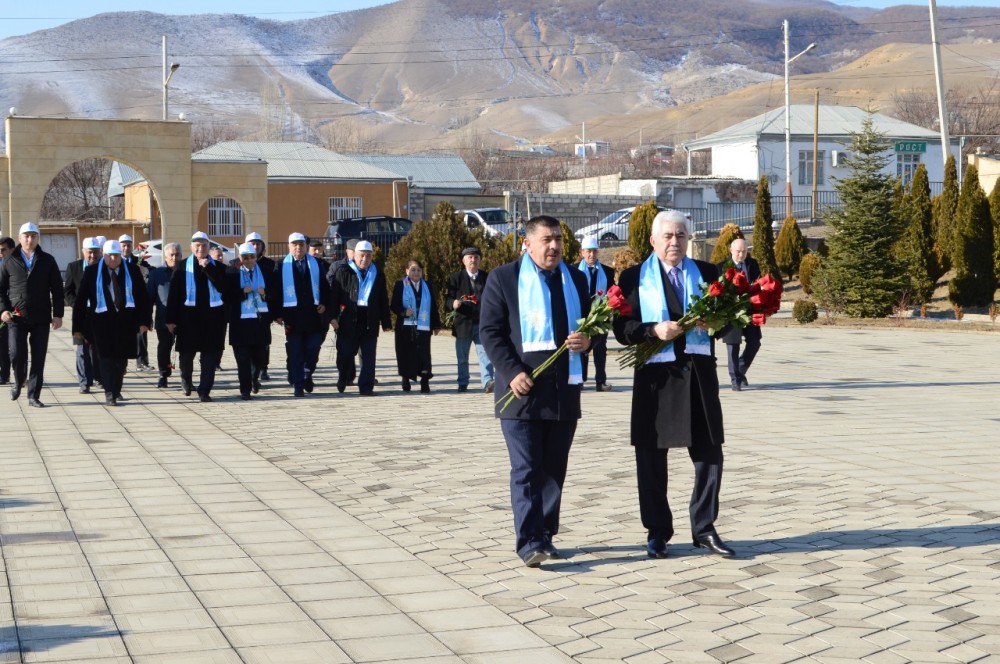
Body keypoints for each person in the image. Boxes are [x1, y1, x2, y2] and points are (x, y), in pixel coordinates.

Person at [612, 210, 733, 560]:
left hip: (698, 376)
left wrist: (718, 321)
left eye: (681, 235)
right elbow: (622, 330)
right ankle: (657, 531)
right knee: (651, 457)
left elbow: (726, 327)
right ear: (653, 241)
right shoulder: (635, 277)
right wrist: (653, 330)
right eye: (667, 236)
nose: (674, 242)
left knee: (710, 454)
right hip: (656, 379)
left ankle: (705, 528)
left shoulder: (708, 273)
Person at [480, 215, 592, 568]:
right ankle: (528, 541)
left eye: (558, 239)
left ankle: (545, 534)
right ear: (526, 244)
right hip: (521, 393)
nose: (555, 246)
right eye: (546, 239)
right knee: (526, 468)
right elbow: (491, 332)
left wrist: (589, 340)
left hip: (563, 390)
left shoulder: (574, 278)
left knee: (554, 469)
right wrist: (511, 372)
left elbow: (593, 325)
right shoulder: (504, 278)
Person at [72, 240, 152, 406]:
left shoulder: (131, 270)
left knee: (121, 360)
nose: (114, 258)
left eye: (116, 255)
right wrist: (77, 327)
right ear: (104, 254)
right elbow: (80, 301)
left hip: (126, 322)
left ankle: (115, 389)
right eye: (110, 255)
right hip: (101, 322)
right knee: (105, 358)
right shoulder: (92, 272)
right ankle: (110, 392)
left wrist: (145, 321)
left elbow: (143, 298)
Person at [0, 223, 65, 408]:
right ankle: (18, 380)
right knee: (16, 354)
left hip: (41, 317)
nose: (30, 240)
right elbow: (1, 290)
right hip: (16, 317)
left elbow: (57, 290)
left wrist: (58, 314)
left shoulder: (47, 260)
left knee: (38, 357)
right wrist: (3, 310)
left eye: (33, 236)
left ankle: (33, 395)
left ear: (38, 239)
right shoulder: (9, 261)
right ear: (20, 238)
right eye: (26, 236)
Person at [166, 232, 228, 402]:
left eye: (204, 245)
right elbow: (173, 295)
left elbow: (224, 288)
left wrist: (208, 268)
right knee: (186, 356)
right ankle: (186, 381)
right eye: (197, 245)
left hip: (212, 320)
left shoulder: (219, 267)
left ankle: (204, 390)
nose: (201, 248)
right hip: (188, 320)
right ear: (192, 247)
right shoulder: (181, 267)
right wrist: (170, 319)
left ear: (209, 247)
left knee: (209, 357)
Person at [270, 232, 330, 397]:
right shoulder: (281, 265)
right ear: (289, 247)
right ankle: (298, 384)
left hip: (313, 316)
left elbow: (325, 287)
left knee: (313, 348)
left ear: (306, 246)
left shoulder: (317, 264)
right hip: (292, 317)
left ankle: (307, 373)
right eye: (294, 244)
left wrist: (324, 303)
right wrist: (277, 314)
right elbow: (275, 291)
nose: (298, 247)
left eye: (301, 244)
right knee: (296, 351)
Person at [329, 240, 391, 396]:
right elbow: (334, 297)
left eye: (368, 256)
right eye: (362, 255)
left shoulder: (377, 274)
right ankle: (343, 376)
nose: (365, 259)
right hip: (348, 320)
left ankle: (366, 386)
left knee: (369, 357)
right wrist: (333, 317)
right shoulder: (343, 271)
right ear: (354, 256)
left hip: (369, 320)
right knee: (345, 353)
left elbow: (382, 299)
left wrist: (386, 322)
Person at [446, 246, 494, 393]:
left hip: (482, 323)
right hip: (463, 323)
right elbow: (448, 299)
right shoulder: (456, 278)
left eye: (476, 257)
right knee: (462, 357)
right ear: (464, 261)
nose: (473, 260)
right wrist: (453, 303)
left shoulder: (487, 277)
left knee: (485, 354)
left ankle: (487, 382)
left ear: (480, 260)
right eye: (470, 257)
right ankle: (462, 382)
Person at [227, 243, 271, 400]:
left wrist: (265, 293)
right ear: (240, 258)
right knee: (243, 358)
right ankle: (244, 389)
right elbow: (226, 296)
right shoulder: (232, 272)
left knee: (259, 356)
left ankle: (254, 378)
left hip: (259, 321)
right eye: (245, 257)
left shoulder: (265, 271)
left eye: (252, 257)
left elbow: (275, 293)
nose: (249, 260)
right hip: (240, 322)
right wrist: (241, 292)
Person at [390, 259, 441, 393]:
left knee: (424, 354)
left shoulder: (427, 286)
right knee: (406, 353)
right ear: (407, 271)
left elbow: (433, 307)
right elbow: (394, 305)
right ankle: (406, 378)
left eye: (419, 270)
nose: (416, 272)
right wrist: (403, 312)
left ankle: (425, 380)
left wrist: (436, 324)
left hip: (423, 326)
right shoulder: (400, 285)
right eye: (413, 269)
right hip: (405, 327)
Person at [718, 238, 762, 391]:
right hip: (732, 313)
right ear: (731, 250)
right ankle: (734, 379)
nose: (741, 255)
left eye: (744, 251)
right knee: (733, 345)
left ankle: (740, 371)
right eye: (738, 252)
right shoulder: (722, 267)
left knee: (755, 343)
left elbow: (758, 285)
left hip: (749, 311)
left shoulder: (753, 264)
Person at [576, 235, 616, 392]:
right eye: (588, 252)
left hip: (600, 314)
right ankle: (580, 379)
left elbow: (612, 291)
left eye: (594, 251)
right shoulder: (574, 270)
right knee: (580, 346)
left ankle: (601, 380)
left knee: (600, 346)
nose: (591, 255)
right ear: (582, 253)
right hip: (581, 315)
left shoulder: (607, 271)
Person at [63, 237, 104, 393]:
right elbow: (67, 291)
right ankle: (84, 382)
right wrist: (77, 304)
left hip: (99, 313)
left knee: (97, 348)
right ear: (83, 251)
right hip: (81, 314)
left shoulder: (104, 267)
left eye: (95, 252)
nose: (92, 256)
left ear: (100, 252)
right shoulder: (74, 267)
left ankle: (99, 378)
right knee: (81, 349)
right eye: (89, 252)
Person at [147, 242, 182, 388]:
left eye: (177, 255)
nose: (174, 258)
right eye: (171, 255)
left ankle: (186, 377)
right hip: (163, 319)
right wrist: (146, 319)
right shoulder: (156, 274)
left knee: (186, 350)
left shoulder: (187, 272)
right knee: (164, 347)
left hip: (184, 318)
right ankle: (163, 375)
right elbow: (149, 298)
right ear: (165, 256)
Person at [120, 233, 153, 372]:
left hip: (137, 302)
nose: (126, 248)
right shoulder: (115, 261)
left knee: (141, 333)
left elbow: (149, 269)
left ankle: (142, 362)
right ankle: (122, 363)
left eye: (129, 245)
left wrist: (145, 270)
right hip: (122, 303)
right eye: (124, 245)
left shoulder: (138, 260)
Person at [245, 231, 275, 381]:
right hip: (246, 310)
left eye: (258, 244)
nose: (255, 246)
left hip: (264, 309)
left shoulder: (269, 265)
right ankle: (250, 369)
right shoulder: (239, 264)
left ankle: (263, 367)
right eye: (252, 243)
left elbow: (274, 287)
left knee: (264, 342)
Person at [0, 235, 15, 385]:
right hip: (1, 307)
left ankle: (7, 374)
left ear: (12, 249)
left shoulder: (18, 264)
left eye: (3, 250)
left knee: (12, 346)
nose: (1, 253)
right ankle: (4, 374)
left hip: (14, 309)